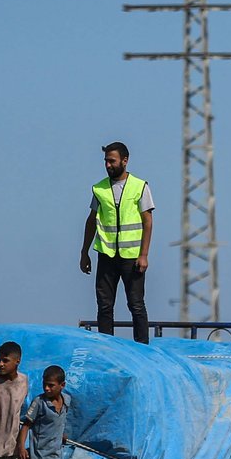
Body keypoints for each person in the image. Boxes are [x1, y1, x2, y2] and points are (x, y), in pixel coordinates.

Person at [78, 141, 155, 344]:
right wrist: (84, 252)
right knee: (104, 305)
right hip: (106, 254)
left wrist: (144, 254)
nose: (108, 165)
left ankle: (142, 348)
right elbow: (91, 220)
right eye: (106, 161)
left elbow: (148, 221)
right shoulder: (99, 188)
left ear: (125, 161)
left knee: (136, 304)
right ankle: (107, 347)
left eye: (112, 161)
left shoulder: (140, 186)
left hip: (132, 256)